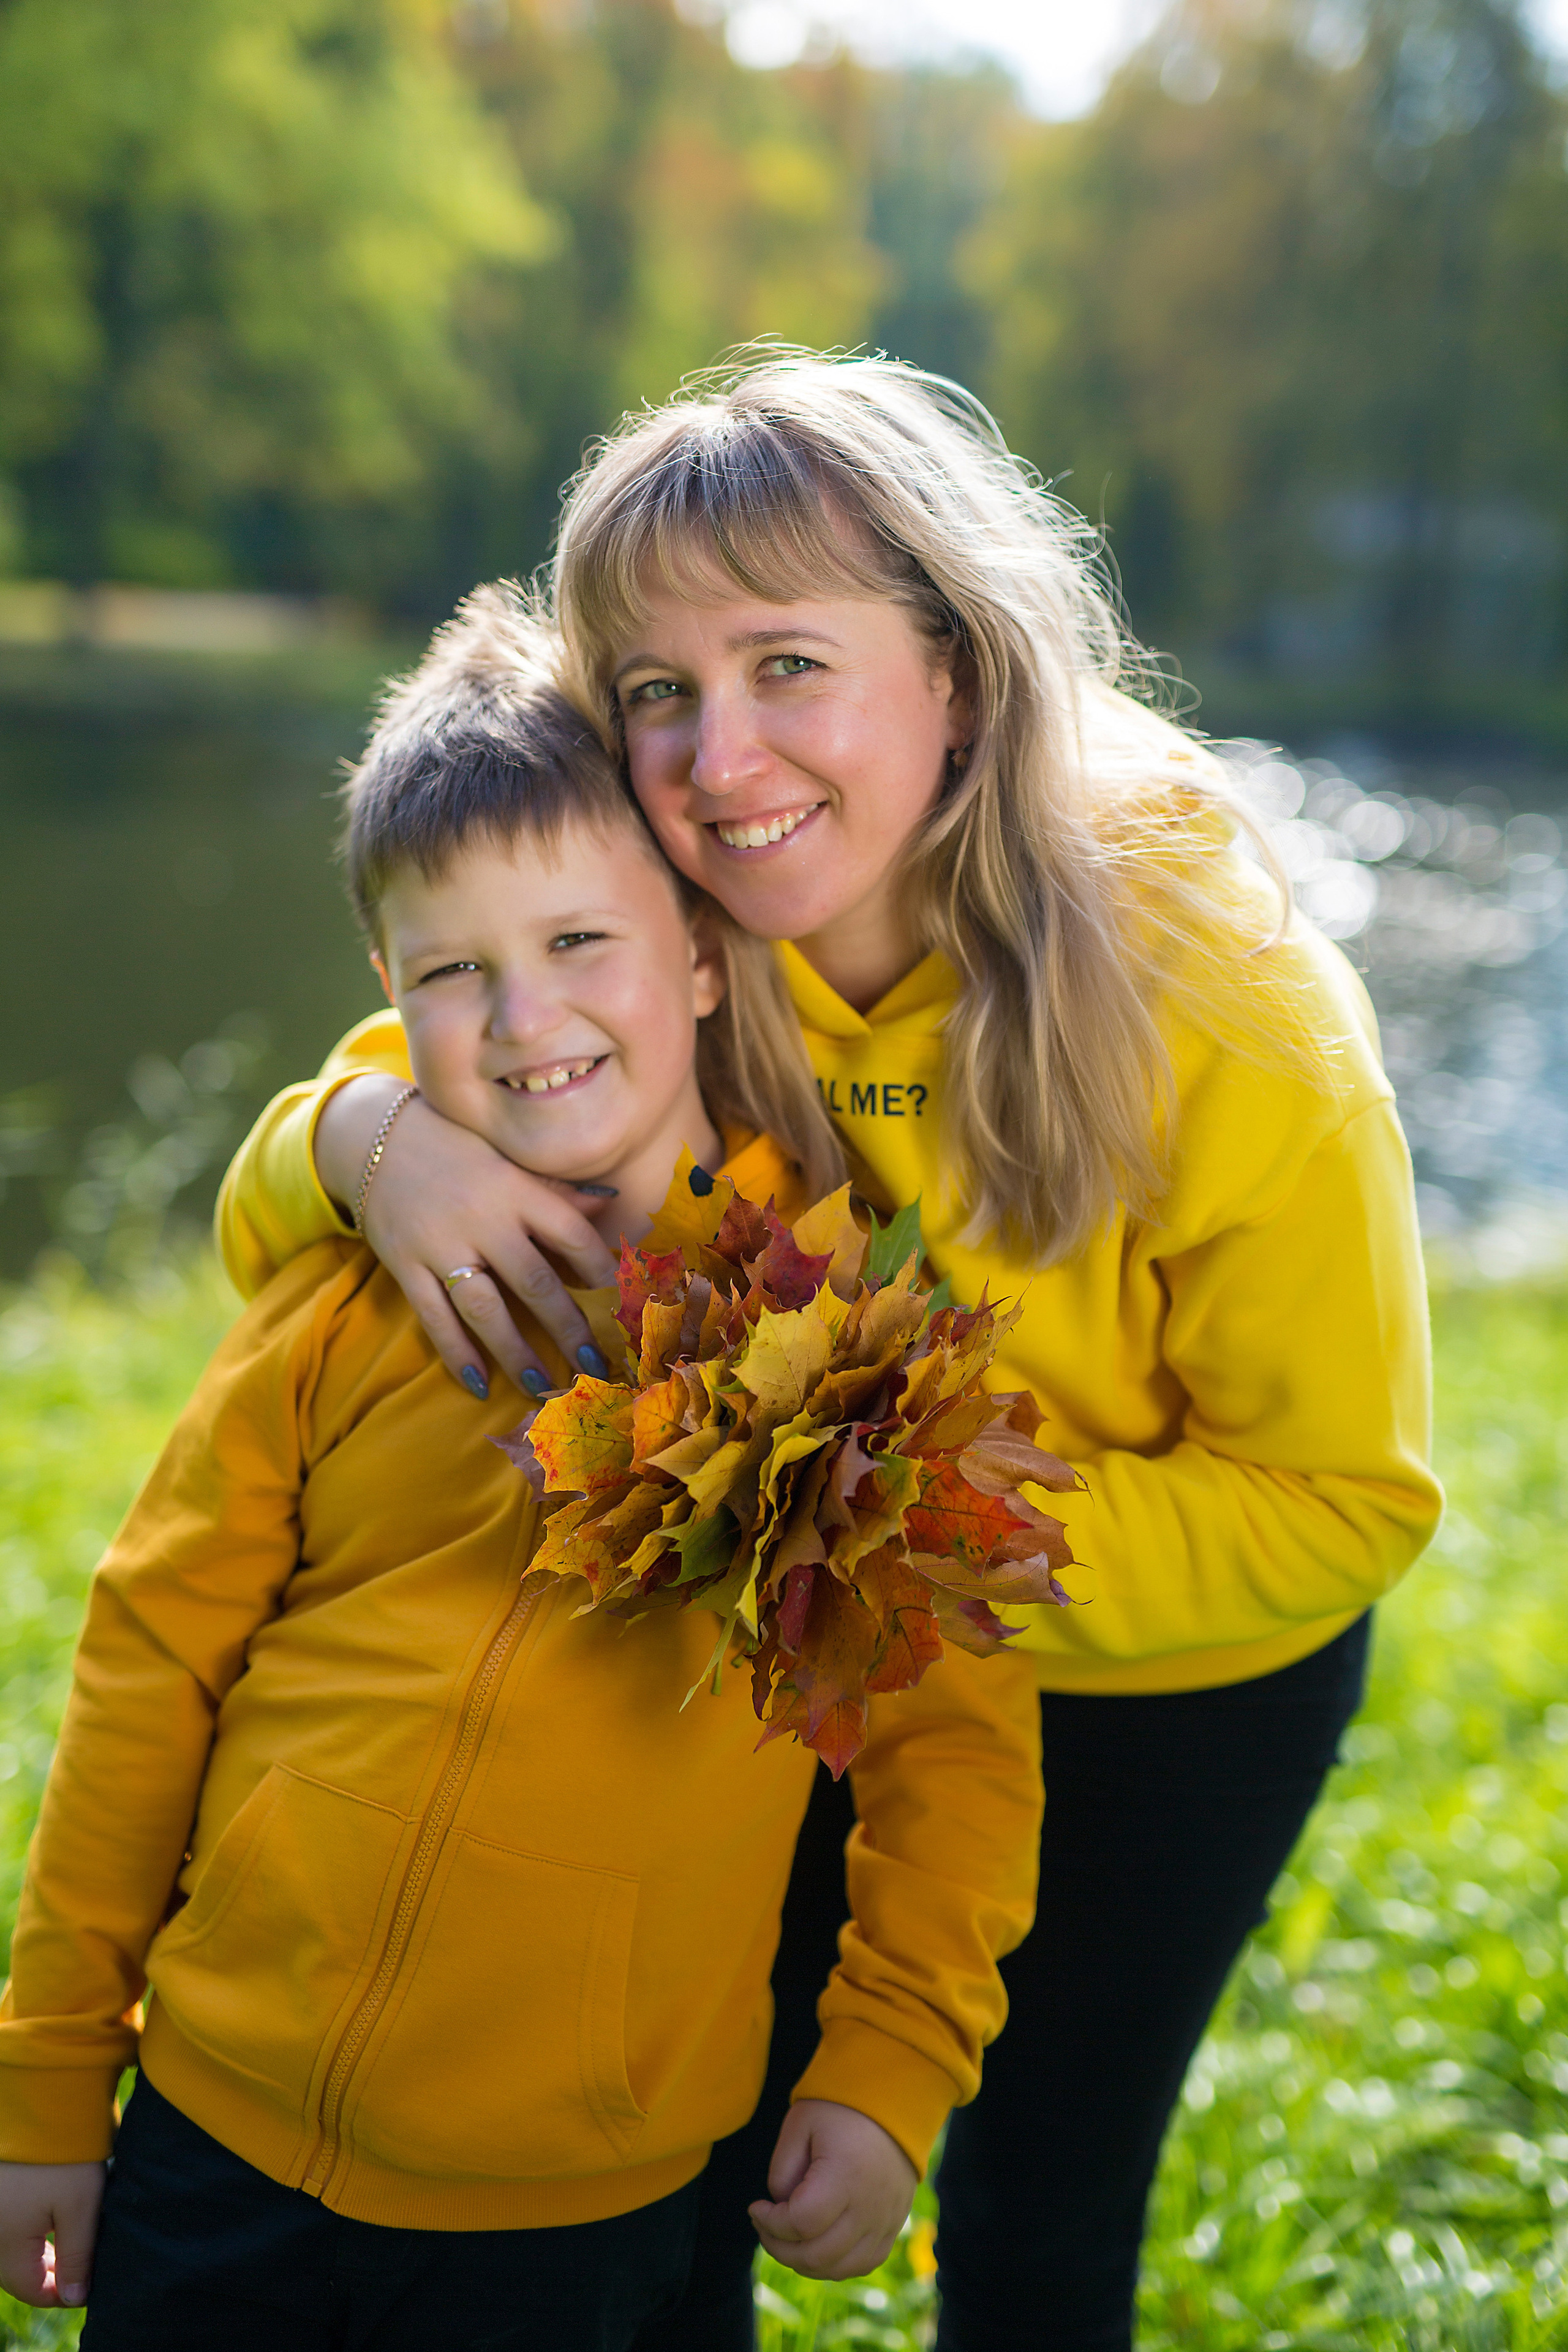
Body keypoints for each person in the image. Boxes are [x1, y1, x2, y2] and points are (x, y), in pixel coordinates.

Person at [213, 351, 1444, 2352]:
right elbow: (316, 1158)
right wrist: (370, 1144)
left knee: (1039, 2218)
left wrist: (891, 1557)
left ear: (958, 666)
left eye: (791, 661)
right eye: (657, 691)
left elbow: (1347, 1500)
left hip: (1158, 1689)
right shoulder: (689, 921)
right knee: (714, 2136)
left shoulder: (1231, 1010)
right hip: (807, 1653)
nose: (719, 754)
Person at [0, 586, 1044, 2352]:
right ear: (390, 1000)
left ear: (706, 957)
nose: (524, 1013)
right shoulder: (342, 1306)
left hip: (587, 2204)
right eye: (454, 970)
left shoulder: (845, 1352)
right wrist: (45, 2083)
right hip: (218, 2137)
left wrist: (889, 2067)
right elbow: (148, 1671)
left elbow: (954, 1761)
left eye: (581, 944)